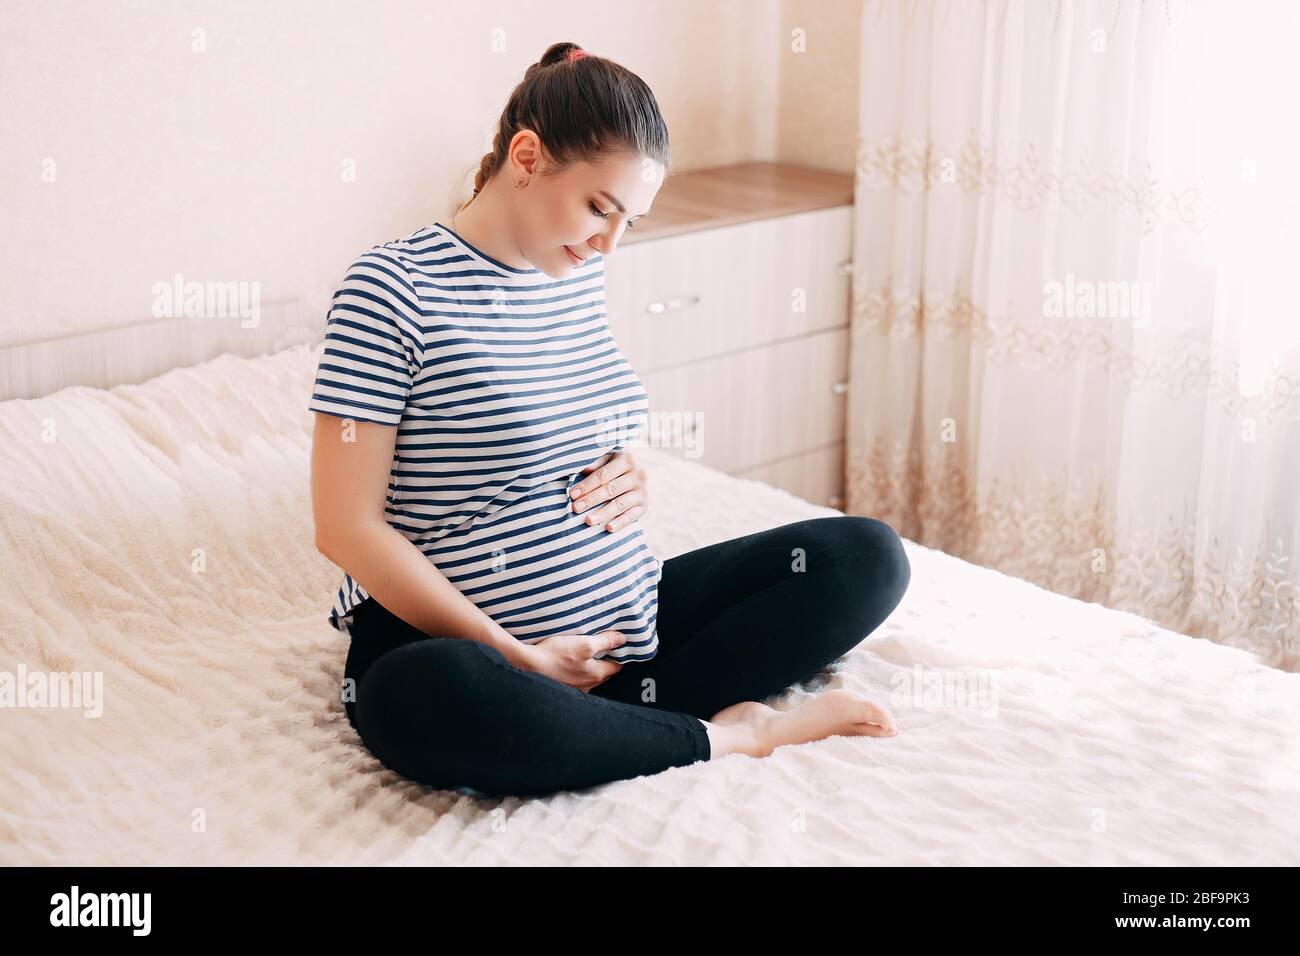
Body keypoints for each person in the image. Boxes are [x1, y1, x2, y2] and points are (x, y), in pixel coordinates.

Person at [308, 41, 911, 798]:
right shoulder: (389, 289)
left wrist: (629, 469)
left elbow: (559, 423)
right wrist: (519, 657)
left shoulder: (575, 273)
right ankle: (728, 736)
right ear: (526, 157)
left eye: (630, 222)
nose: (608, 244)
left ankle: (607, 723)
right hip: (464, 648)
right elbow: (345, 527)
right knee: (428, 696)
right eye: (600, 208)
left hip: (625, 632)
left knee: (865, 557)